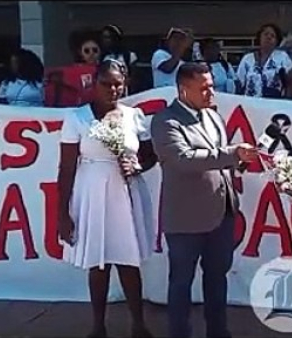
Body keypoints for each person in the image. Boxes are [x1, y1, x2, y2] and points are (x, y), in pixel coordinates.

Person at [151, 62, 258, 338]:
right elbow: (183, 159)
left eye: (212, 86)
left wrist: (242, 161)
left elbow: (222, 160)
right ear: (183, 90)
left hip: (221, 214)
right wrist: (233, 153)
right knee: (181, 283)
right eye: (204, 88)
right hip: (186, 218)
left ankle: (218, 332)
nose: (211, 93)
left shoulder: (212, 116)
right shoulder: (165, 120)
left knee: (217, 278)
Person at [57, 59, 156, 338]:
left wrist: (137, 166)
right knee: (98, 262)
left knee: (128, 260)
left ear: (125, 84)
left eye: (117, 84)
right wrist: (62, 213)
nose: (112, 89)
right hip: (92, 191)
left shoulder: (134, 116)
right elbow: (66, 169)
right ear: (94, 83)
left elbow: (150, 155)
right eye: (106, 83)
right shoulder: (76, 118)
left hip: (127, 192)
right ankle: (98, 327)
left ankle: (138, 325)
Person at [236, 23, 292, 98]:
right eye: (266, 34)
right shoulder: (247, 59)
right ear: (259, 37)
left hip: (273, 104)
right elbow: (239, 84)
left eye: (272, 36)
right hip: (250, 104)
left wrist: (285, 101)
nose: (269, 37)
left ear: (277, 41)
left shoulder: (282, 57)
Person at [100, 24, 138, 95]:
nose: (105, 40)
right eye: (103, 37)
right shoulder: (103, 57)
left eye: (107, 37)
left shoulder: (129, 56)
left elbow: (134, 78)